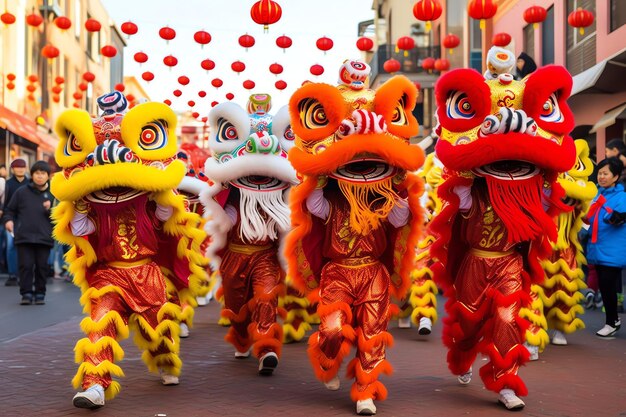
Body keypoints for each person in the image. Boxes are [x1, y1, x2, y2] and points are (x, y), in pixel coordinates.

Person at [2, 161, 54, 305]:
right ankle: (26, 293)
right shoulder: (21, 192)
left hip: (44, 237)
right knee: (25, 266)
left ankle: (40, 293)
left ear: (48, 176)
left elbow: (62, 215)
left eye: (43, 173)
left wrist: (51, 209)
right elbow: (9, 210)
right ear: (31, 175)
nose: (39, 176)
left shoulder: (53, 195)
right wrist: (8, 221)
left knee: (42, 267)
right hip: (24, 236)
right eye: (37, 173)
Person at [585, 157, 626, 338]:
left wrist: (617, 216)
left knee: (608, 285)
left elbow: (620, 217)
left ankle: (612, 322)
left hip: (613, 250)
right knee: (604, 285)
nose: (601, 177)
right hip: (597, 247)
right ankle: (612, 321)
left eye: (605, 173)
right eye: (600, 173)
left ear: (615, 176)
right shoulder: (596, 195)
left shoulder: (621, 196)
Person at [3, 159, 29, 286]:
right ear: (12, 169)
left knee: (26, 247)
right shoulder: (7, 184)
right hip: (11, 219)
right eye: (17, 167)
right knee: (11, 246)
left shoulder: (30, 183)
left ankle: (26, 274)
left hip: (27, 219)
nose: (20, 169)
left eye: (22, 167)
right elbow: (5, 204)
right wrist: (7, 219)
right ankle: (12, 274)